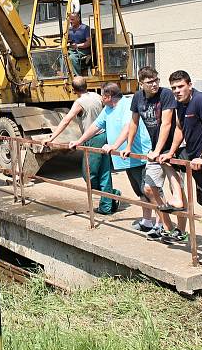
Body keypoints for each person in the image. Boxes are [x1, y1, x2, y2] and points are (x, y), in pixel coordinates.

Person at [160, 70, 202, 265]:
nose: (177, 91)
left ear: (189, 84)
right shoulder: (180, 105)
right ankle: (178, 198)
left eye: (180, 87)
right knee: (165, 160)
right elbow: (180, 129)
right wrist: (171, 152)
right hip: (191, 155)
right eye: (174, 88)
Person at [115, 66, 187, 242]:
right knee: (148, 188)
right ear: (141, 84)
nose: (154, 84)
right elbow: (133, 123)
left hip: (173, 149)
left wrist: (158, 150)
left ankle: (181, 231)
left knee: (177, 191)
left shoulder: (166, 95)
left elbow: (167, 123)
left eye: (156, 80)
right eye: (149, 82)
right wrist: (128, 146)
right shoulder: (137, 98)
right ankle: (167, 226)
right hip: (155, 150)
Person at [69, 83, 154, 232]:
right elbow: (95, 126)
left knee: (149, 191)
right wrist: (79, 141)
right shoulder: (108, 109)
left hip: (138, 154)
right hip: (126, 157)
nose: (101, 98)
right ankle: (147, 221)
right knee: (140, 192)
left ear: (108, 96)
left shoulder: (127, 104)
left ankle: (161, 225)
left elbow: (128, 127)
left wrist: (114, 145)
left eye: (102, 95)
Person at [45, 76, 119, 214]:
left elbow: (66, 120)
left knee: (88, 175)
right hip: (104, 136)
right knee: (104, 172)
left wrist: (51, 137)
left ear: (73, 90)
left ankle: (111, 194)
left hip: (93, 138)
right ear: (87, 85)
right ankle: (106, 205)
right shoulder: (97, 96)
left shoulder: (80, 102)